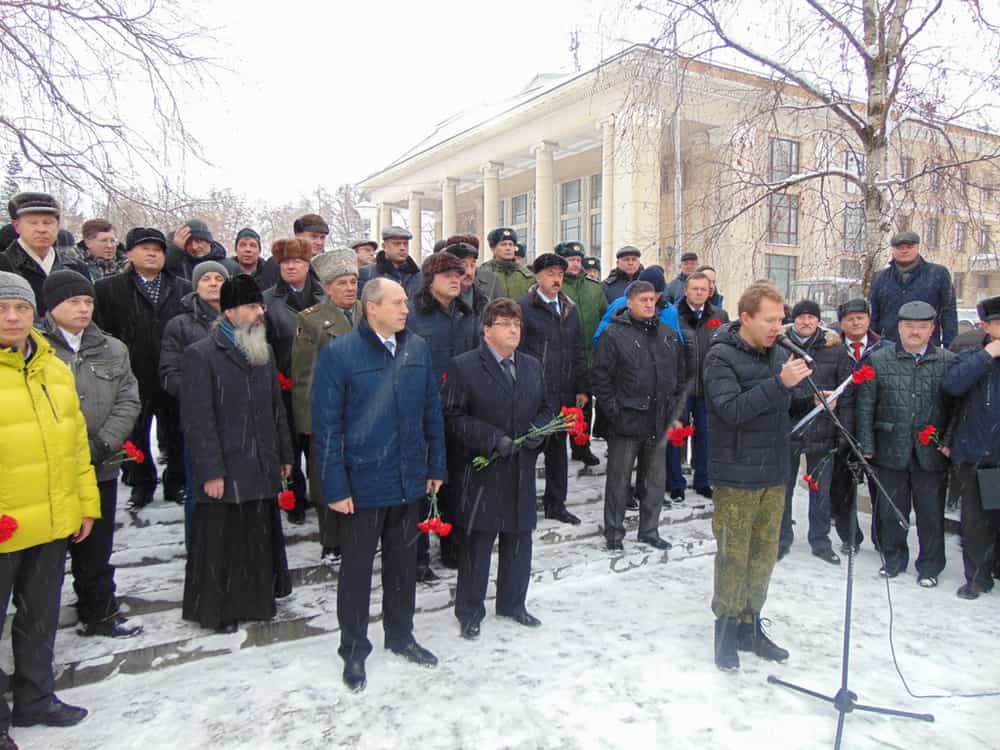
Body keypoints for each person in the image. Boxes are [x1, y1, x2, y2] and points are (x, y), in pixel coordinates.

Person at [311, 278, 446, 692]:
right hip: (362, 484)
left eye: (406, 302)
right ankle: (353, 648)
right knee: (356, 573)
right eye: (398, 302)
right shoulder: (339, 355)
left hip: (408, 480)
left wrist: (435, 465)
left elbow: (431, 413)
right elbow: (326, 428)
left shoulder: (417, 349)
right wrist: (334, 487)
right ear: (372, 308)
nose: (406, 309)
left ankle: (401, 635)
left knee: (404, 566)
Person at [0, 271, 97, 742]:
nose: (12, 317)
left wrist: (84, 503)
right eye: (2, 308)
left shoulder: (53, 368)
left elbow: (75, 445)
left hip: (53, 519)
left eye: (19, 308)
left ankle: (36, 698)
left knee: (39, 619)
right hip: (5, 523)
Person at [704, 281, 810, 671]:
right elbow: (731, 409)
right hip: (736, 474)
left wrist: (810, 397)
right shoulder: (720, 357)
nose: (777, 328)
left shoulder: (777, 351)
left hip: (775, 470)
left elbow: (778, 406)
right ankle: (726, 629)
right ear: (745, 317)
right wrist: (780, 383)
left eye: (781, 320)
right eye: (770, 320)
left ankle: (751, 623)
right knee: (734, 554)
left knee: (764, 554)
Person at [180, 275, 293, 633]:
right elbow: (197, 420)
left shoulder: (264, 351)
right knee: (222, 543)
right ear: (229, 311)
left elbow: (277, 408)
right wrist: (210, 471)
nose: (260, 312)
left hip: (259, 461)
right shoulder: (201, 354)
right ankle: (220, 610)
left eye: (260, 306)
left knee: (256, 537)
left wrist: (284, 454)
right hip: (226, 466)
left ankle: (257, 600)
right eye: (251, 306)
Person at [37, 270, 142, 639]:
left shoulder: (111, 348)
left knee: (96, 548)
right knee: (45, 556)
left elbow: (128, 399)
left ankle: (99, 611)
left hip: (100, 464)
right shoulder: (34, 347)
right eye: (73, 302)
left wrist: (104, 443)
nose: (83, 309)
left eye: (88, 302)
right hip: (47, 469)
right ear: (52, 306)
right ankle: (38, 623)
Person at [443, 298, 551, 639]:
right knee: (479, 544)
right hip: (484, 470)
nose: (513, 331)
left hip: (520, 467)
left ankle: (513, 602)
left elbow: (548, 406)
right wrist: (491, 439)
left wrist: (539, 431)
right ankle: (470, 610)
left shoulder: (532, 365)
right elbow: (453, 416)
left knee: (519, 539)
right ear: (486, 330)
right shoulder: (464, 366)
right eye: (505, 324)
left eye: (517, 325)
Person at [856, 301, 956, 586]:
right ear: (899, 328)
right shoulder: (879, 360)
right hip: (890, 447)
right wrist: (866, 443)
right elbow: (866, 406)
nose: (915, 332)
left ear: (932, 329)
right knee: (891, 510)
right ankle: (894, 558)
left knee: (930, 512)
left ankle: (930, 567)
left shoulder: (948, 361)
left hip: (931, 451)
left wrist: (947, 441)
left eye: (922, 327)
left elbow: (955, 409)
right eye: (909, 326)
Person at [94, 227, 191, 509]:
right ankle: (141, 484)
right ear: (130, 253)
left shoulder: (182, 287)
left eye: (158, 249)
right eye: (145, 248)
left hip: (172, 373)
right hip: (131, 374)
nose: (152, 253)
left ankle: (176, 483)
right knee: (134, 434)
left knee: (177, 432)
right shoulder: (108, 289)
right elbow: (103, 333)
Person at [593, 280, 687, 551]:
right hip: (626, 420)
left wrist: (674, 411)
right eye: (643, 300)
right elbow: (601, 378)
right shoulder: (613, 334)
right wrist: (614, 411)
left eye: (652, 300)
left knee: (654, 482)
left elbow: (679, 377)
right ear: (629, 303)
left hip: (659, 420)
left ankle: (649, 530)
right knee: (619, 482)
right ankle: (614, 533)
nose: (649, 304)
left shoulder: (668, 334)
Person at [407, 252, 478, 576]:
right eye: (447, 274)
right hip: (422, 411)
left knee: (457, 484)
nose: (455, 279)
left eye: (459, 274)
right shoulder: (413, 316)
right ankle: (418, 557)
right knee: (423, 486)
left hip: (460, 410)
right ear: (430, 278)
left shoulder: (467, 314)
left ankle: (453, 549)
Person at [291, 248, 361, 560]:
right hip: (331, 414)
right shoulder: (313, 322)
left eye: (353, 282)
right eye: (342, 283)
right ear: (328, 288)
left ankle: (360, 534)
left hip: (367, 413)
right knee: (327, 478)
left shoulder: (371, 312)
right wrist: (309, 424)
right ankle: (332, 540)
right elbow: (305, 376)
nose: (350, 288)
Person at [778, 299, 855, 564]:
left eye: (812, 317)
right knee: (783, 487)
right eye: (802, 317)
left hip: (822, 429)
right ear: (794, 320)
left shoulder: (834, 348)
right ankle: (781, 538)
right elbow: (775, 387)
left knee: (820, 490)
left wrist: (836, 404)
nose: (806, 322)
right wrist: (802, 400)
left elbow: (847, 389)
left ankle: (821, 541)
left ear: (819, 320)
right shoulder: (781, 345)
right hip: (788, 428)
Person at [159, 260, 229, 547]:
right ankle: (199, 548)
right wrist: (201, 395)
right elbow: (169, 373)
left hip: (238, 420)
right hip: (200, 420)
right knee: (201, 488)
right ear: (196, 285)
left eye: (219, 278)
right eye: (206, 279)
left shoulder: (243, 317)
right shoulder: (180, 324)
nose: (213, 283)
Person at [517, 253, 588, 526]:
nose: (556, 279)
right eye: (550, 274)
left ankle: (556, 504)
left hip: (564, 392)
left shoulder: (569, 309)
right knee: (529, 449)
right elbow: (518, 351)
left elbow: (578, 349)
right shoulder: (524, 307)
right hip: (535, 394)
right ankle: (522, 505)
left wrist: (582, 387)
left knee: (558, 454)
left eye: (560, 274)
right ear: (537, 276)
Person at [264, 238, 326, 525]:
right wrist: (277, 375)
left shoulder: (325, 296)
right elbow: (262, 344)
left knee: (318, 447)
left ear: (307, 264)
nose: (291, 266)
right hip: (285, 386)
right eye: (285, 262)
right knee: (288, 444)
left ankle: (323, 497)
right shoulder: (268, 301)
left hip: (321, 385)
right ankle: (295, 498)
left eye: (297, 261)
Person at [942, 295, 1000, 599]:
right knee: (976, 521)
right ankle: (977, 578)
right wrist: (987, 355)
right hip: (978, 452)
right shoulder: (971, 354)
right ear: (986, 326)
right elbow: (952, 385)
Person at [828, 298, 883, 553]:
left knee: (879, 488)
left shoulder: (884, 349)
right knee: (843, 487)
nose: (856, 321)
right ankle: (850, 537)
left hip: (877, 427)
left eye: (861, 317)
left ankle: (883, 540)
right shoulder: (832, 348)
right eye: (850, 318)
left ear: (869, 320)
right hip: (843, 427)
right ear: (842, 323)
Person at [668, 271, 729, 501]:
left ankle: (703, 480)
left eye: (704, 289)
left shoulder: (719, 316)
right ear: (686, 290)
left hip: (708, 387)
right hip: (680, 389)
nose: (700, 292)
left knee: (706, 436)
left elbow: (726, 348)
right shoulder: (672, 314)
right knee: (676, 437)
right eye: (695, 289)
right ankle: (675, 483)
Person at [555, 241, 607, 467]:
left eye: (578, 260)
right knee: (562, 402)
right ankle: (555, 448)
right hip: (562, 355)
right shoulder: (556, 286)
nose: (575, 264)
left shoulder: (594, 288)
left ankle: (581, 447)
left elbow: (605, 318)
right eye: (570, 260)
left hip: (590, 355)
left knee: (585, 403)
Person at [0, 192, 88, 316]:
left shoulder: (76, 267)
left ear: (58, 226)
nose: (41, 229)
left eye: (48, 223)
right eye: (33, 223)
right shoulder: (4, 264)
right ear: (17, 226)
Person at [869, 231, 958, 347]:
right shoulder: (880, 277)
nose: (904, 250)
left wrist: (950, 348)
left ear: (917, 248)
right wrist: (873, 347)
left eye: (909, 247)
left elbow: (948, 313)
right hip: (889, 348)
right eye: (899, 247)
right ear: (893, 250)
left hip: (927, 349)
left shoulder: (938, 274)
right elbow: (873, 316)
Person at [357, 226, 422, 298]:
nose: (402, 248)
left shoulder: (418, 275)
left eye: (405, 244)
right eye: (397, 244)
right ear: (384, 246)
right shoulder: (367, 273)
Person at [480, 227, 534, 299]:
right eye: (503, 244)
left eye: (511, 244)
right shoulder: (482, 273)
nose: (508, 248)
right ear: (493, 248)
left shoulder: (527, 275)